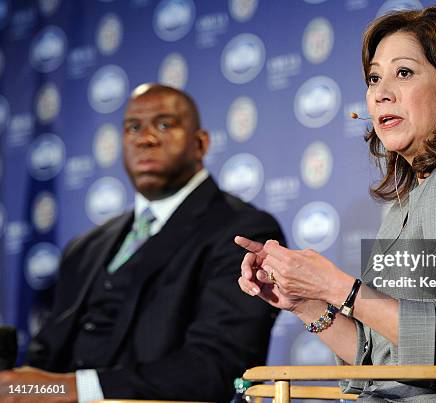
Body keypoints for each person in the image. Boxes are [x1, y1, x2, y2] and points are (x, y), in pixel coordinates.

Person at [236, 6, 436, 402]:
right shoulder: (409, 198)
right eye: (375, 77)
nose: (381, 93)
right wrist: (306, 303)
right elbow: (383, 361)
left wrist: (335, 285)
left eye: (404, 73)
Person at [0, 83, 284, 402]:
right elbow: (43, 362)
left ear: (201, 143)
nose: (145, 138)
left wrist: (71, 390)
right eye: (133, 127)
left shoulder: (243, 232)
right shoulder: (86, 247)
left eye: (164, 124)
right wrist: (20, 387)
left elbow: (215, 368)